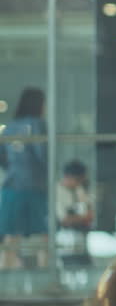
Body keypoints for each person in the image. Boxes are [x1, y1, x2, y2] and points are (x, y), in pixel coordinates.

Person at [0, 88, 48, 269]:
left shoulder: (11, 126)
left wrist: (14, 168)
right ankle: (47, 274)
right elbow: (43, 154)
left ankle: (4, 274)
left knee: (12, 235)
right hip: (34, 186)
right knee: (43, 233)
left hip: (12, 185)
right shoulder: (37, 124)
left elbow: (2, 156)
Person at [56, 160, 93, 266]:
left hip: (81, 243)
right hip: (63, 244)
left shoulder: (79, 190)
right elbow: (64, 220)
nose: (79, 183)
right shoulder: (57, 191)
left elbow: (89, 215)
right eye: (78, 180)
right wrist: (82, 217)